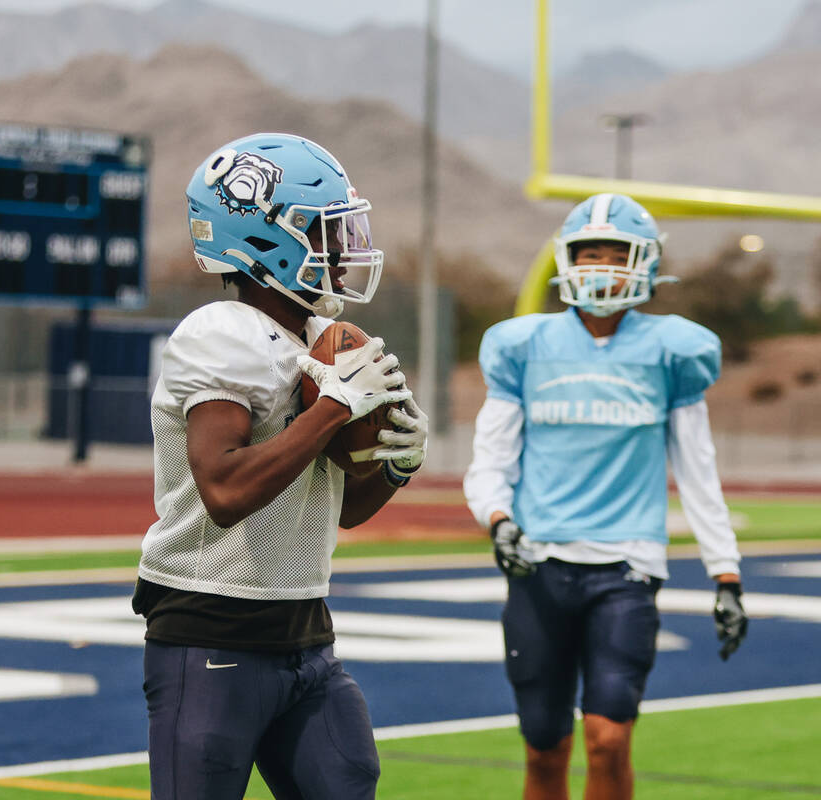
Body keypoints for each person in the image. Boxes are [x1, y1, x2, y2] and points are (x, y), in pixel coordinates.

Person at [133, 132, 429, 800]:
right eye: (325, 233)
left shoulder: (316, 344)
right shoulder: (223, 333)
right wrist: (333, 410)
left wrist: (396, 466)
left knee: (350, 782)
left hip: (306, 635)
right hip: (211, 631)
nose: (344, 249)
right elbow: (225, 489)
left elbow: (344, 507)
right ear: (264, 239)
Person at [463, 193, 747, 800]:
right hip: (540, 564)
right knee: (543, 747)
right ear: (565, 260)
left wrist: (725, 573)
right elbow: (490, 460)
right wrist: (499, 521)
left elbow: (698, 472)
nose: (599, 266)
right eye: (588, 253)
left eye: (614, 254)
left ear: (643, 264)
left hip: (627, 566)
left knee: (608, 740)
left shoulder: (674, 350)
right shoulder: (524, 346)